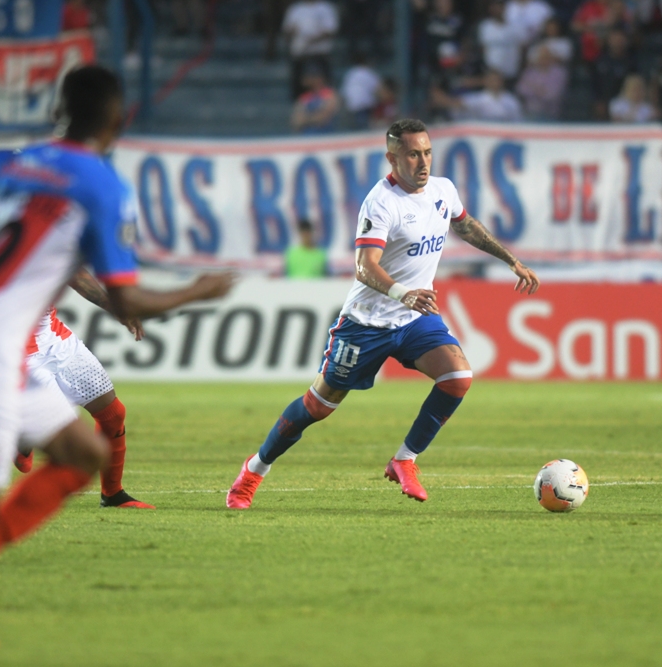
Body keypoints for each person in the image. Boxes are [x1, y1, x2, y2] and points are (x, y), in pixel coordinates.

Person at [0, 64, 235, 650]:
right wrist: (197, 290)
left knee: (83, 452)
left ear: (57, 112)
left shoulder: (5, 164)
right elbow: (126, 295)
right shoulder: (101, 183)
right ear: (116, 120)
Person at [226, 118, 540, 509]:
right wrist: (403, 294)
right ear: (392, 158)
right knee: (318, 406)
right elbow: (364, 266)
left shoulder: (443, 189)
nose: (423, 162)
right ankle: (253, 470)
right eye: (413, 154)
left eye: (427, 152)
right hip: (367, 323)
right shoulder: (381, 202)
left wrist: (511, 260)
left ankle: (404, 460)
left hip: (414, 318)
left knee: (458, 377)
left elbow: (466, 226)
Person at [8, 267, 153, 509]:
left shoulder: (38, 243)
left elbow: (74, 273)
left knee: (113, 413)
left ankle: (113, 494)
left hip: (55, 338)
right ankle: (22, 440)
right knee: (70, 443)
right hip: (19, 352)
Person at [282, 0, 339, 99]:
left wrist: (312, 40)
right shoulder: (296, 8)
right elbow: (286, 30)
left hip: (320, 52)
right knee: (298, 84)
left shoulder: (325, 7)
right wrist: (291, 32)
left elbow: (331, 30)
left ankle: (327, 103)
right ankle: (298, 102)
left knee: (324, 83)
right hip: (300, 52)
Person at [433, 69, 524, 121]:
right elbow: (458, 104)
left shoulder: (510, 100)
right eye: (491, 79)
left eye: (496, 79)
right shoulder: (479, 98)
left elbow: (517, 120)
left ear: (501, 81)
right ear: (486, 81)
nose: (494, 82)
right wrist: (440, 96)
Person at [340, 52, 383, 130]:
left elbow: (343, 92)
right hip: (363, 108)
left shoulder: (350, 73)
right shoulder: (368, 73)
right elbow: (379, 90)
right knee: (363, 130)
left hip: (351, 108)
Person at [290, 68, 340, 133]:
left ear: (319, 78)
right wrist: (314, 117)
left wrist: (305, 119)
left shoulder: (329, 94)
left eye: (309, 76)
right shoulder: (305, 97)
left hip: (326, 135)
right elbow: (296, 121)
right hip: (307, 136)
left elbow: (323, 117)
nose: (305, 79)